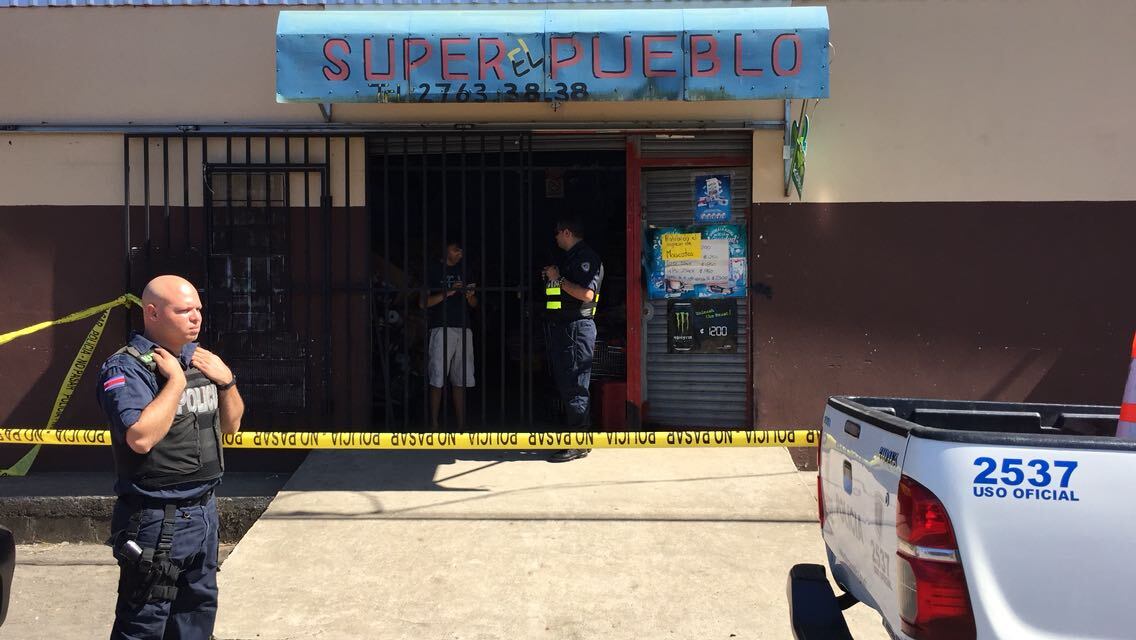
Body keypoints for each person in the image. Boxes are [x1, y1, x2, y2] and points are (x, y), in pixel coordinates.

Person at [98, 275, 244, 640]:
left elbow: (231, 427)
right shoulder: (127, 367)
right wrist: (176, 383)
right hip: (156, 517)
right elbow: (140, 437)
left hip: (204, 512)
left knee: (195, 617)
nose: (195, 318)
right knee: (144, 623)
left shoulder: (202, 360)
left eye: (198, 309)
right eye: (183, 311)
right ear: (152, 313)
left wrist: (227, 381)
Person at [542, 217, 604, 463]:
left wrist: (559, 279)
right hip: (563, 328)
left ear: (567, 232)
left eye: (557, 233)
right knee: (568, 384)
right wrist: (551, 280)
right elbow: (559, 295)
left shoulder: (587, 258)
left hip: (577, 328)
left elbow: (587, 294)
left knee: (576, 384)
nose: (555, 237)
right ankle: (578, 437)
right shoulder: (568, 259)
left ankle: (578, 442)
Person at [420, 239, 477, 430]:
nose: (459, 253)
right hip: (441, 328)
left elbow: (474, 304)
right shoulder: (433, 271)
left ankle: (461, 426)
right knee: (437, 377)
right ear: (445, 250)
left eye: (461, 250)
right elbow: (423, 303)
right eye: (455, 249)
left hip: (463, 328)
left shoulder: (465, 271)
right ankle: (433, 424)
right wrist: (449, 292)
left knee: (461, 378)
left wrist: (470, 296)